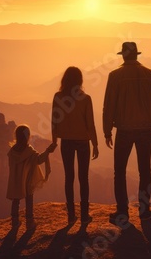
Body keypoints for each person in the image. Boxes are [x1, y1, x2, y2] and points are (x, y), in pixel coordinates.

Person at [103, 42, 151, 225]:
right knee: (145, 170)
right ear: (137, 55)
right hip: (145, 130)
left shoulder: (115, 76)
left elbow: (109, 106)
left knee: (120, 172)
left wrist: (107, 131)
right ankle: (145, 210)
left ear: (123, 56)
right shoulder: (150, 74)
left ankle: (122, 212)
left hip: (124, 130)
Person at [51, 66, 99, 225]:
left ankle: (71, 215)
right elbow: (90, 123)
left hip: (66, 142)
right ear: (80, 81)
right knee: (83, 178)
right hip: (83, 142)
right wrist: (95, 143)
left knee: (69, 177)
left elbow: (54, 120)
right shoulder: (85, 99)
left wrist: (54, 140)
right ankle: (85, 216)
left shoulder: (58, 97)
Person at [6, 124, 56, 229]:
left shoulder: (11, 152)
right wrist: (47, 151)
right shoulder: (29, 152)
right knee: (29, 199)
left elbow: (11, 166)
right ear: (27, 136)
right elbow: (39, 160)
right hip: (28, 180)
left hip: (16, 180)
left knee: (16, 200)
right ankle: (29, 222)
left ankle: (15, 222)